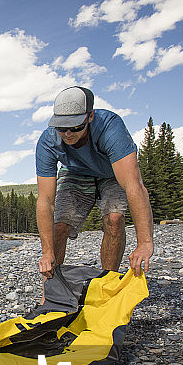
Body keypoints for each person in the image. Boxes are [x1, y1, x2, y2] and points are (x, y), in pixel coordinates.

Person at [35, 86, 154, 280]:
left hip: (111, 173)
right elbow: (45, 201)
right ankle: (52, 290)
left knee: (114, 220)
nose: (68, 134)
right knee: (59, 226)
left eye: (75, 127)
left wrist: (145, 243)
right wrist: (47, 252)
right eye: (61, 127)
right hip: (75, 171)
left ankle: (107, 282)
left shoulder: (110, 127)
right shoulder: (48, 141)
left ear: (90, 116)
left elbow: (134, 186)